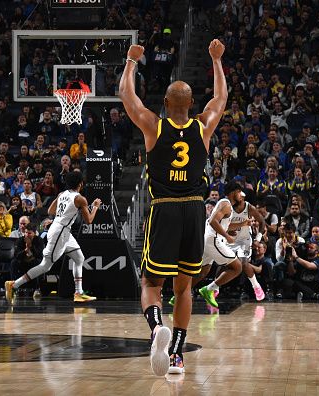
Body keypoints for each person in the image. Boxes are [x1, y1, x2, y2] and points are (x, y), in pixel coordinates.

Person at [119, 39, 227, 376]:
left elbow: (128, 97)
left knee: (151, 285)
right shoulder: (203, 126)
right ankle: (177, 356)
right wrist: (216, 61)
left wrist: (130, 62)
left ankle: (156, 330)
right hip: (194, 212)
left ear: (165, 103)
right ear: (192, 103)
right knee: (184, 288)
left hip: (164, 209)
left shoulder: (154, 125)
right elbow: (220, 98)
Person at [5, 171, 101, 303]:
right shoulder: (80, 199)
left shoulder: (62, 194)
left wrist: (59, 219)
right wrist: (95, 207)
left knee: (79, 258)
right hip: (60, 233)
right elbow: (89, 220)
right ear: (81, 184)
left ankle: (78, 292)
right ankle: (14, 285)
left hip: (62, 230)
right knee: (45, 266)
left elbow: (50, 210)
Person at [227, 186, 267, 301]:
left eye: (242, 196)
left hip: (245, 240)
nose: (241, 197)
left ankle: (256, 287)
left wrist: (258, 239)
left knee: (244, 262)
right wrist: (228, 231)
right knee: (223, 264)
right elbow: (221, 225)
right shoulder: (227, 207)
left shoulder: (249, 207)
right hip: (230, 239)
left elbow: (262, 222)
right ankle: (214, 288)